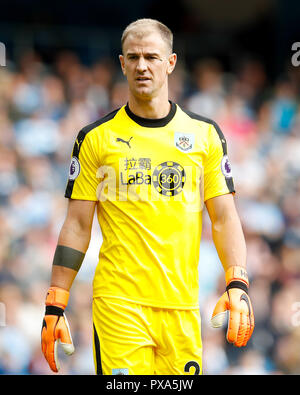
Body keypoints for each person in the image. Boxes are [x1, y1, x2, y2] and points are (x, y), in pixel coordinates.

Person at [41, 18, 254, 375]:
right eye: (134, 57)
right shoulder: (95, 138)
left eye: (152, 57)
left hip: (182, 305)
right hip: (118, 304)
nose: (142, 66)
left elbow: (225, 217)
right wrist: (55, 301)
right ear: (122, 64)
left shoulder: (204, 136)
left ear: (170, 62)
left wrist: (238, 282)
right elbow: (77, 225)